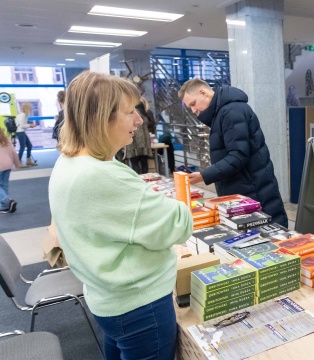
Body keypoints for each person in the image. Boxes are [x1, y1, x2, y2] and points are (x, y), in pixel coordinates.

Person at [49, 71, 193, 360]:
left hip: (108, 300)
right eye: (129, 112)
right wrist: (169, 204)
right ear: (102, 118)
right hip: (140, 307)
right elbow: (180, 224)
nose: (139, 121)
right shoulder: (104, 176)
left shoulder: (67, 162)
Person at [178, 79, 288, 227]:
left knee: (270, 236)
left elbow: (238, 156)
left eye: (193, 104)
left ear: (203, 93)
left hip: (253, 191)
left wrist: (204, 176)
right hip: (245, 189)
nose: (193, 110)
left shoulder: (231, 111)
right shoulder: (222, 112)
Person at [124, 100, 153, 174]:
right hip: (144, 142)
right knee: (144, 162)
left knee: (135, 163)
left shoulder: (132, 116)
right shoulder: (145, 116)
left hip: (133, 142)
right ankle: (146, 181)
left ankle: (138, 181)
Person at [0, 128, 20, 213]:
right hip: (8, 165)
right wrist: (17, 164)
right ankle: (5, 206)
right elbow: (13, 152)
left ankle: (8, 201)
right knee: (4, 185)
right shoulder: (6, 140)